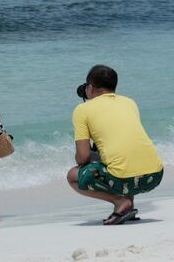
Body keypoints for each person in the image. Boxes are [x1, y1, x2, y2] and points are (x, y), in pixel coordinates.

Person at [66, 65, 164, 225]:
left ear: (90, 88)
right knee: (119, 158)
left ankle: (119, 201)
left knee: (73, 176)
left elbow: (82, 157)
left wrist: (87, 156)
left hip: (126, 178)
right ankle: (128, 207)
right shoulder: (129, 102)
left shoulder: (82, 110)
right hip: (154, 176)